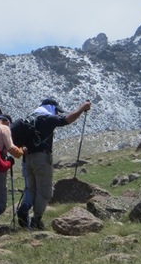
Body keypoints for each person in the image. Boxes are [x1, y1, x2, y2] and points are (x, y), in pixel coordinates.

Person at [15, 98, 92, 230]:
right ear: (51, 108)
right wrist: (82, 107)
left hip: (27, 159)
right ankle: (36, 220)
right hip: (42, 158)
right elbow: (66, 119)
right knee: (45, 191)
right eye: (56, 111)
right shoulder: (46, 118)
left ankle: (24, 208)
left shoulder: (30, 118)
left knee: (30, 189)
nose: (57, 113)